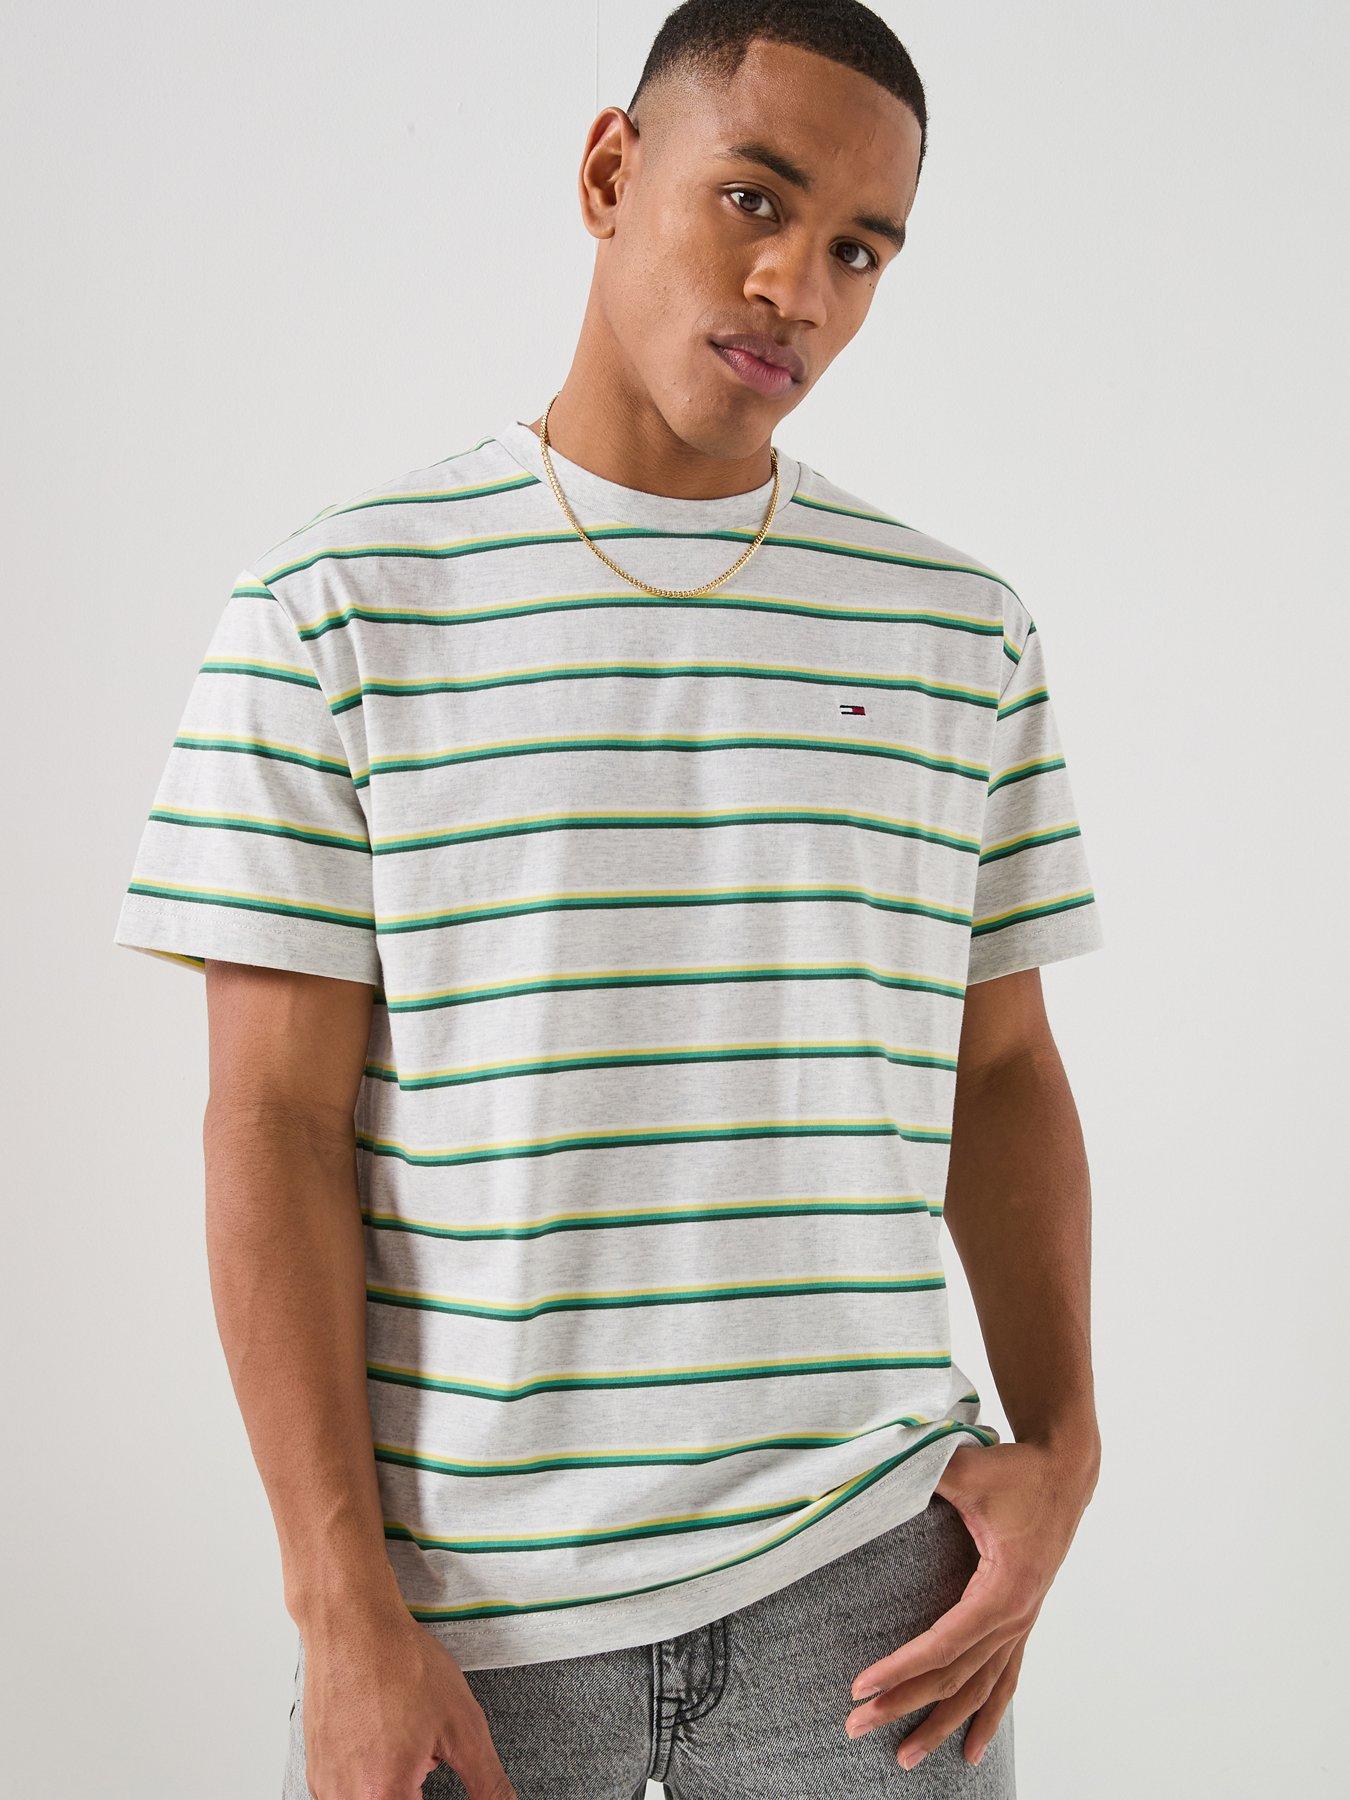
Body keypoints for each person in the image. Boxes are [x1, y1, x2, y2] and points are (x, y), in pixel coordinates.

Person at [113, 3, 1106, 1794]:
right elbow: (268, 1124)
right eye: (753, 199)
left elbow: (1005, 1065)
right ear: (608, 170)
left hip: (878, 1593)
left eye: (858, 250)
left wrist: (1068, 1445)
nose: (795, 285)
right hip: (462, 1620)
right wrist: (340, 1611)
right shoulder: (334, 610)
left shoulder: (958, 633)